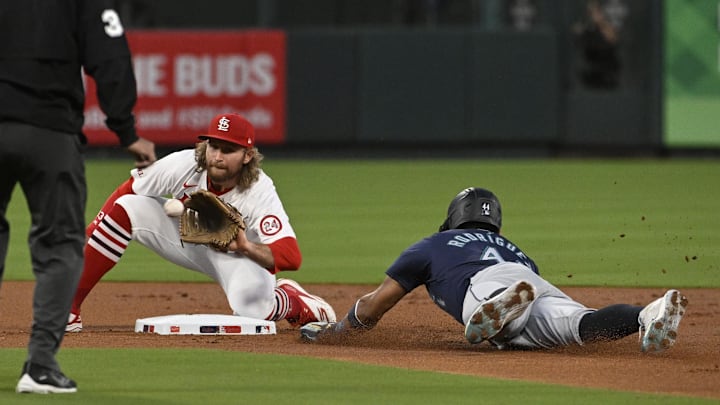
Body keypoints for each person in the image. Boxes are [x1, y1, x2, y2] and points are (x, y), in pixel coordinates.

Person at [300, 187, 688, 354]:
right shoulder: (516, 250)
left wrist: (339, 332)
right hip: (535, 281)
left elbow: (374, 305)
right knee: (582, 325)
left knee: (484, 314)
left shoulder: (431, 244)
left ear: (452, 218)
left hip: (486, 286)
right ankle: (646, 314)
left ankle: (500, 306)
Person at [0, 0, 156, 394]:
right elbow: (111, 58)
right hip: (49, 130)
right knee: (60, 246)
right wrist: (126, 130)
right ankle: (39, 366)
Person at [66, 112, 336, 335]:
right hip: (188, 239)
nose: (217, 156)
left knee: (252, 311)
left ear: (247, 155)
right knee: (127, 207)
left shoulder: (259, 190)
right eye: (214, 146)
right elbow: (130, 189)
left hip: (238, 257)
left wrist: (244, 246)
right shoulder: (184, 164)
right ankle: (68, 308)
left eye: (228, 150)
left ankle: (290, 299)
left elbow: (291, 256)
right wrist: (89, 235)